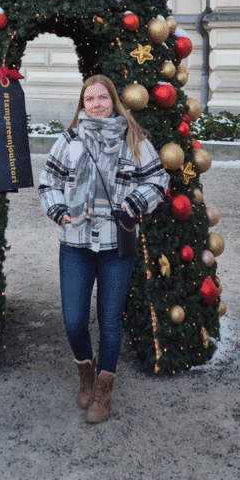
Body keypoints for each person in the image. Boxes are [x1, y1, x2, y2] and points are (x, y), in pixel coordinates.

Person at [39, 74, 169, 423]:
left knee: (110, 320)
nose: (96, 104)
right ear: (82, 104)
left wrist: (134, 203)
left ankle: (103, 389)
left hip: (115, 245)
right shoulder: (68, 141)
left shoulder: (133, 140)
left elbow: (158, 179)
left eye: (103, 98)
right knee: (73, 321)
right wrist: (59, 211)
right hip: (76, 243)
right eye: (89, 99)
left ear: (114, 101)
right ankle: (86, 370)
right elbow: (48, 182)